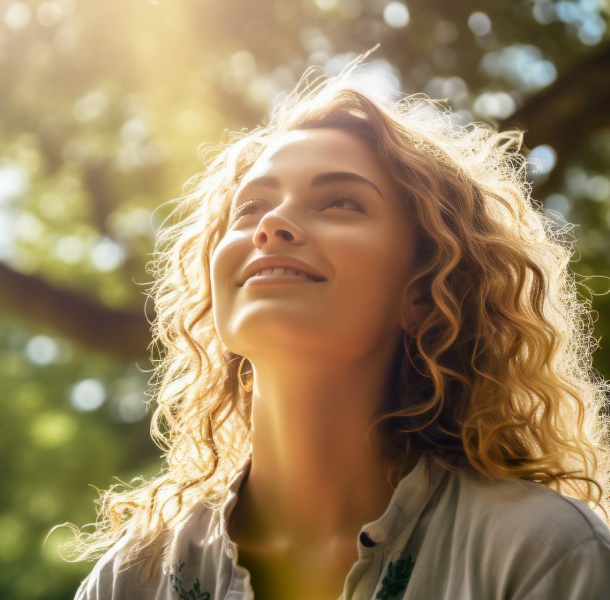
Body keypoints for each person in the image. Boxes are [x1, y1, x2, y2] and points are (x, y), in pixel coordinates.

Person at [62, 57, 610, 599]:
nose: (272, 225)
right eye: (251, 207)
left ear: (424, 289)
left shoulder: (542, 555)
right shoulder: (132, 580)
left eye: (340, 202)